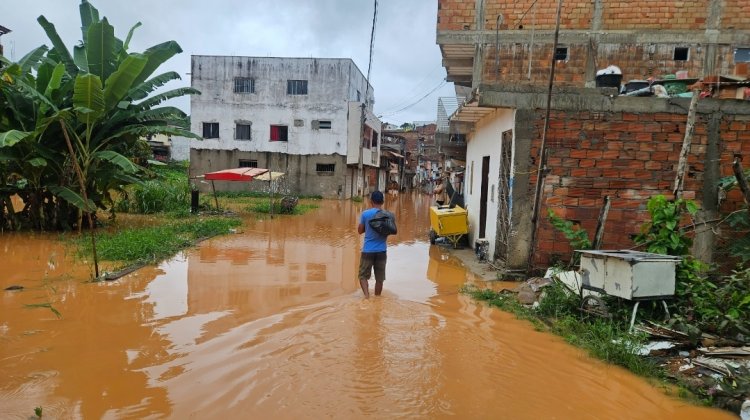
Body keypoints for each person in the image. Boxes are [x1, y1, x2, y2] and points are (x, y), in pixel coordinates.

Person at [357, 190, 388, 298]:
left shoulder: (366, 214)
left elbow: (360, 231)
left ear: (371, 201)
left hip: (368, 250)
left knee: (362, 276)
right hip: (382, 250)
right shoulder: (387, 215)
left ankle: (366, 297)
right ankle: (377, 298)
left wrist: (367, 225)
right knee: (380, 278)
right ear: (382, 202)